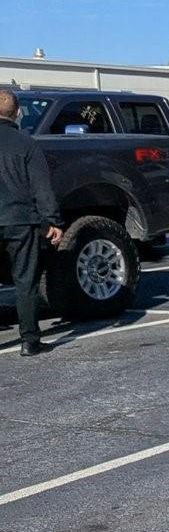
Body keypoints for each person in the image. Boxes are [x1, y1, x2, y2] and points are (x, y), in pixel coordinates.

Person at [0, 88, 64, 356]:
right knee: (25, 281)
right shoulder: (26, 143)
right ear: (17, 112)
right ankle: (29, 340)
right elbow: (41, 187)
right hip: (20, 221)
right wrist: (52, 221)